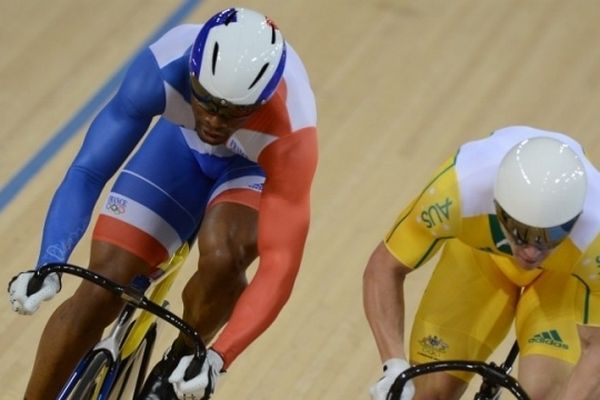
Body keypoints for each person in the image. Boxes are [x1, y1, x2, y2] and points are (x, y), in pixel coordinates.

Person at [8, 7, 317, 399]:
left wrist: (220, 357)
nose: (217, 122)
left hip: (249, 169)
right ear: (192, 74)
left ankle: (182, 357)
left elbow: (280, 266)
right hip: (180, 148)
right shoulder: (161, 66)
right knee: (99, 288)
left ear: (262, 100)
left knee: (224, 256)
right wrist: (48, 261)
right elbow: (88, 172)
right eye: (206, 102)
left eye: (234, 112)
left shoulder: (293, 132)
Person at [363, 125, 600, 400]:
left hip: (562, 281)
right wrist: (393, 365)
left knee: (545, 393)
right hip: (480, 260)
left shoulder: (596, 235)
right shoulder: (458, 190)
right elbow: (385, 266)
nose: (532, 254)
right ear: (498, 207)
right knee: (430, 392)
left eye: (550, 237)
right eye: (521, 235)